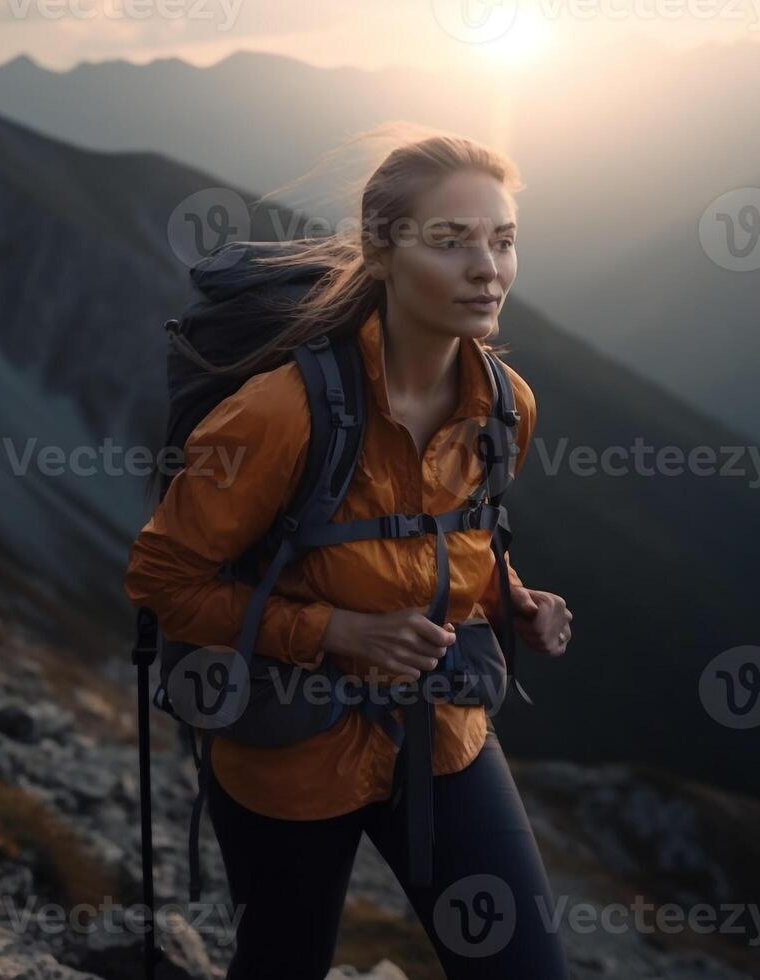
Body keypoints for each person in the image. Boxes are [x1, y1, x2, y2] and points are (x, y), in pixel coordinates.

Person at [124, 128, 573, 979]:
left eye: (504, 240)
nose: (489, 268)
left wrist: (508, 595)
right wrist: (335, 631)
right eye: (451, 242)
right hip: (287, 745)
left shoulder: (504, 403)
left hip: (440, 735)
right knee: (283, 965)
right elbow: (160, 580)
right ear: (382, 251)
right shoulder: (278, 414)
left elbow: (456, 537)